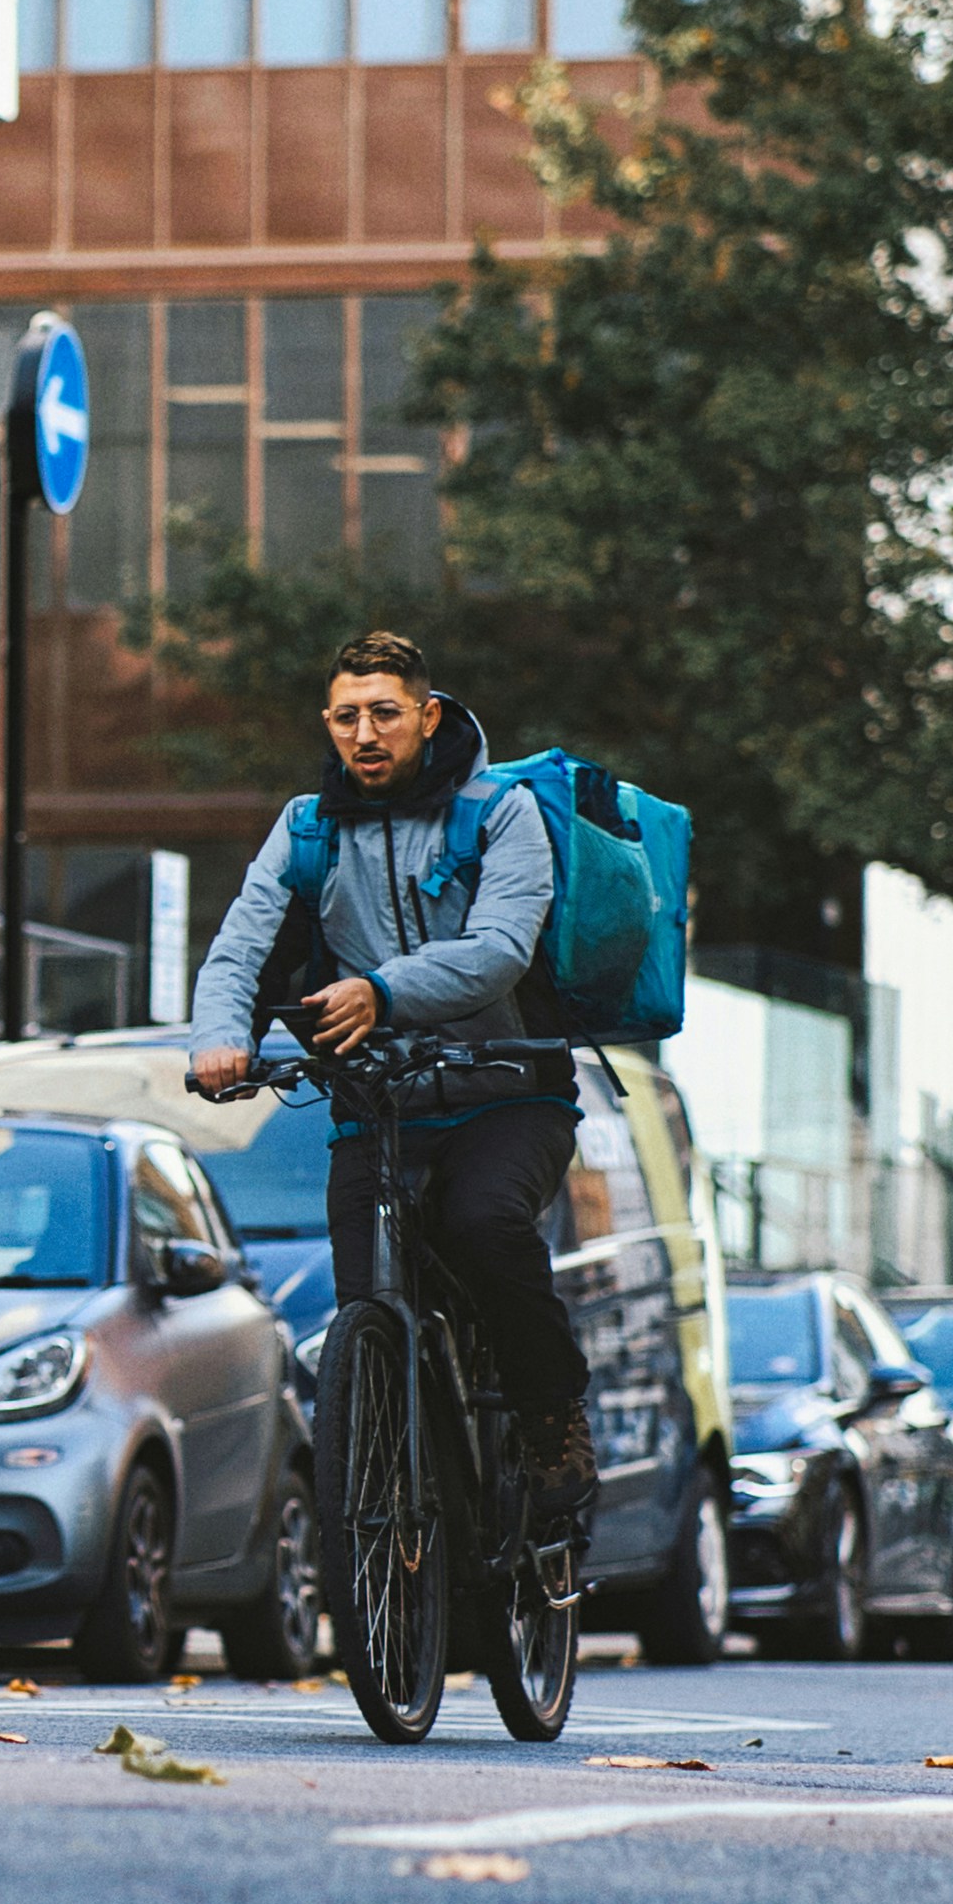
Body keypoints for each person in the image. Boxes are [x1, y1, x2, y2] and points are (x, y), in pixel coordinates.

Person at [185, 627, 594, 1513]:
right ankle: (399, 1500)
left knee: (484, 1226)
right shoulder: (306, 829)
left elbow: (497, 951)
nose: (364, 735)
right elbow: (239, 952)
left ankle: (549, 1417)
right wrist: (219, 1036)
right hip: (377, 1104)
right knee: (366, 1298)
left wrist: (380, 992)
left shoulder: (498, 813)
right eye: (345, 718)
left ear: (427, 714)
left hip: (508, 1092)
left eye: (384, 714)